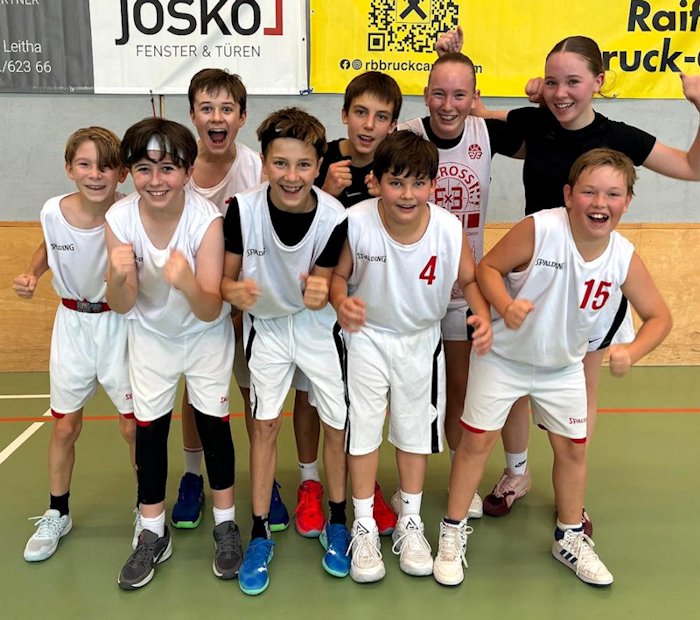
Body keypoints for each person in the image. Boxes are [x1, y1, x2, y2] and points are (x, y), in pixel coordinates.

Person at [440, 32, 700, 527]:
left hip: (586, 284)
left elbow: (692, 168)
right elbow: (470, 115)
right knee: (513, 385)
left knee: (582, 385)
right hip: (529, 277)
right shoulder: (533, 123)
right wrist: (452, 58)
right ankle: (517, 473)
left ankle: (572, 500)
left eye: (574, 82)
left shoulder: (619, 136)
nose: (561, 93)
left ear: (599, 81)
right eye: (553, 82)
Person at [432, 148, 672, 587]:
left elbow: (659, 317)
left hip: (562, 368)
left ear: (627, 202)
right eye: (589, 192)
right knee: (476, 443)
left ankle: (569, 536)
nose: (600, 203)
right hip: (503, 358)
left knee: (573, 450)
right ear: (568, 195)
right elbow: (487, 268)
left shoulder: (622, 255)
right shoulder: (540, 228)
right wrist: (505, 305)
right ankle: (452, 531)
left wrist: (633, 350)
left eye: (613, 194)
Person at [330, 130, 492, 583]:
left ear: (433, 185)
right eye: (396, 182)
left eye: (418, 183)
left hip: (421, 339)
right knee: (363, 429)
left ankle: (411, 520)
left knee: (414, 431)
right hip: (366, 337)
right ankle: (364, 523)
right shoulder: (356, 221)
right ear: (377, 181)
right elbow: (338, 277)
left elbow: (470, 280)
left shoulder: (448, 227)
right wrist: (341, 302)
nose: (407, 194)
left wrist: (482, 316)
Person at [106, 117, 241, 590]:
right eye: (144, 169)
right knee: (150, 432)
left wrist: (186, 282)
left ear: (186, 171)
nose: (156, 180)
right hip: (150, 338)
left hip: (204, 337)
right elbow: (122, 304)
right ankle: (152, 531)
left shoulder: (207, 220)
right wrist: (117, 277)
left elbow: (210, 309)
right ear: (130, 173)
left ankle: (226, 524)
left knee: (214, 426)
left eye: (167, 168)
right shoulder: (120, 218)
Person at [221, 107, 350, 595]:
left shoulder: (334, 216)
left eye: (303, 165)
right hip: (268, 328)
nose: (291, 176)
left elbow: (323, 283)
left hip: (317, 327)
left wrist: (319, 292)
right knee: (265, 425)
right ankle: (259, 533)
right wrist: (234, 293)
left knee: (336, 423)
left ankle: (338, 521)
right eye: (280, 163)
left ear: (318, 166)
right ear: (265, 163)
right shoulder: (242, 209)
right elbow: (226, 280)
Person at [398, 52, 522, 518]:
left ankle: (458, 477)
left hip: (461, 289)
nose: (448, 105)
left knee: (459, 385)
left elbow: (551, 132)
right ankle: (403, 484)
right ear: (425, 94)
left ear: (475, 98)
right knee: (410, 388)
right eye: (439, 93)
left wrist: (499, 109)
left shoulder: (485, 132)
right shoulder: (404, 135)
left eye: (459, 95)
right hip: (409, 288)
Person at [171, 68, 294, 533]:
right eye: (207, 108)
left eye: (227, 109)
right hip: (193, 304)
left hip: (245, 305)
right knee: (196, 394)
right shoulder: (177, 171)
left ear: (242, 117)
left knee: (251, 393)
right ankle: (191, 476)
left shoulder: (256, 168)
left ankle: (265, 481)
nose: (216, 117)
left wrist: (242, 300)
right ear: (193, 115)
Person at [14, 127, 135, 563]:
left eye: (105, 166)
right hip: (71, 326)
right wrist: (32, 274)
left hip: (120, 323)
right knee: (65, 426)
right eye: (84, 164)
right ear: (69, 169)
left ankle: (147, 510)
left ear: (121, 173)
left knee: (132, 427)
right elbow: (48, 246)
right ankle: (57, 511)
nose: (95, 174)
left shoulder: (130, 213)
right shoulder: (53, 210)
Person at [299, 70, 404, 537]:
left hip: (365, 307)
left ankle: (366, 484)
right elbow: (292, 232)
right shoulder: (318, 159)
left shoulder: (393, 170)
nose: (368, 124)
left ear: (393, 125)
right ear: (344, 114)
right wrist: (325, 194)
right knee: (309, 397)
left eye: (381, 117)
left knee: (362, 402)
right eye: (360, 112)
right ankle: (310, 482)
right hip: (314, 302)